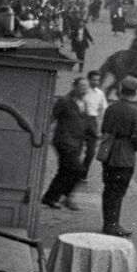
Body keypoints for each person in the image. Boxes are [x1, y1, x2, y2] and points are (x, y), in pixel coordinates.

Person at [99, 76, 137, 237]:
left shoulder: (111, 108)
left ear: (120, 91)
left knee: (108, 188)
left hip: (109, 153)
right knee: (118, 191)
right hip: (124, 156)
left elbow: (104, 128)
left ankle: (108, 222)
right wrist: (133, 146)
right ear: (134, 93)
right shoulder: (135, 113)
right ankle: (113, 224)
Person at [41, 77, 89, 210]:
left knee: (64, 171)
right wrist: (44, 132)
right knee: (77, 170)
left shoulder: (83, 102)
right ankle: (66, 197)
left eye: (86, 87)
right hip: (64, 141)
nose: (85, 89)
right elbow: (51, 117)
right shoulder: (64, 101)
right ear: (74, 87)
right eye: (82, 86)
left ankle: (50, 198)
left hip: (76, 143)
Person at [81, 69, 108, 181]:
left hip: (93, 122)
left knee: (91, 151)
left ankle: (83, 174)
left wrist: (100, 122)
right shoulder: (83, 92)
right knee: (75, 149)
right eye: (93, 80)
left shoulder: (100, 93)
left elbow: (104, 108)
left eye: (98, 80)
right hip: (81, 121)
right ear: (89, 80)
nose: (96, 82)